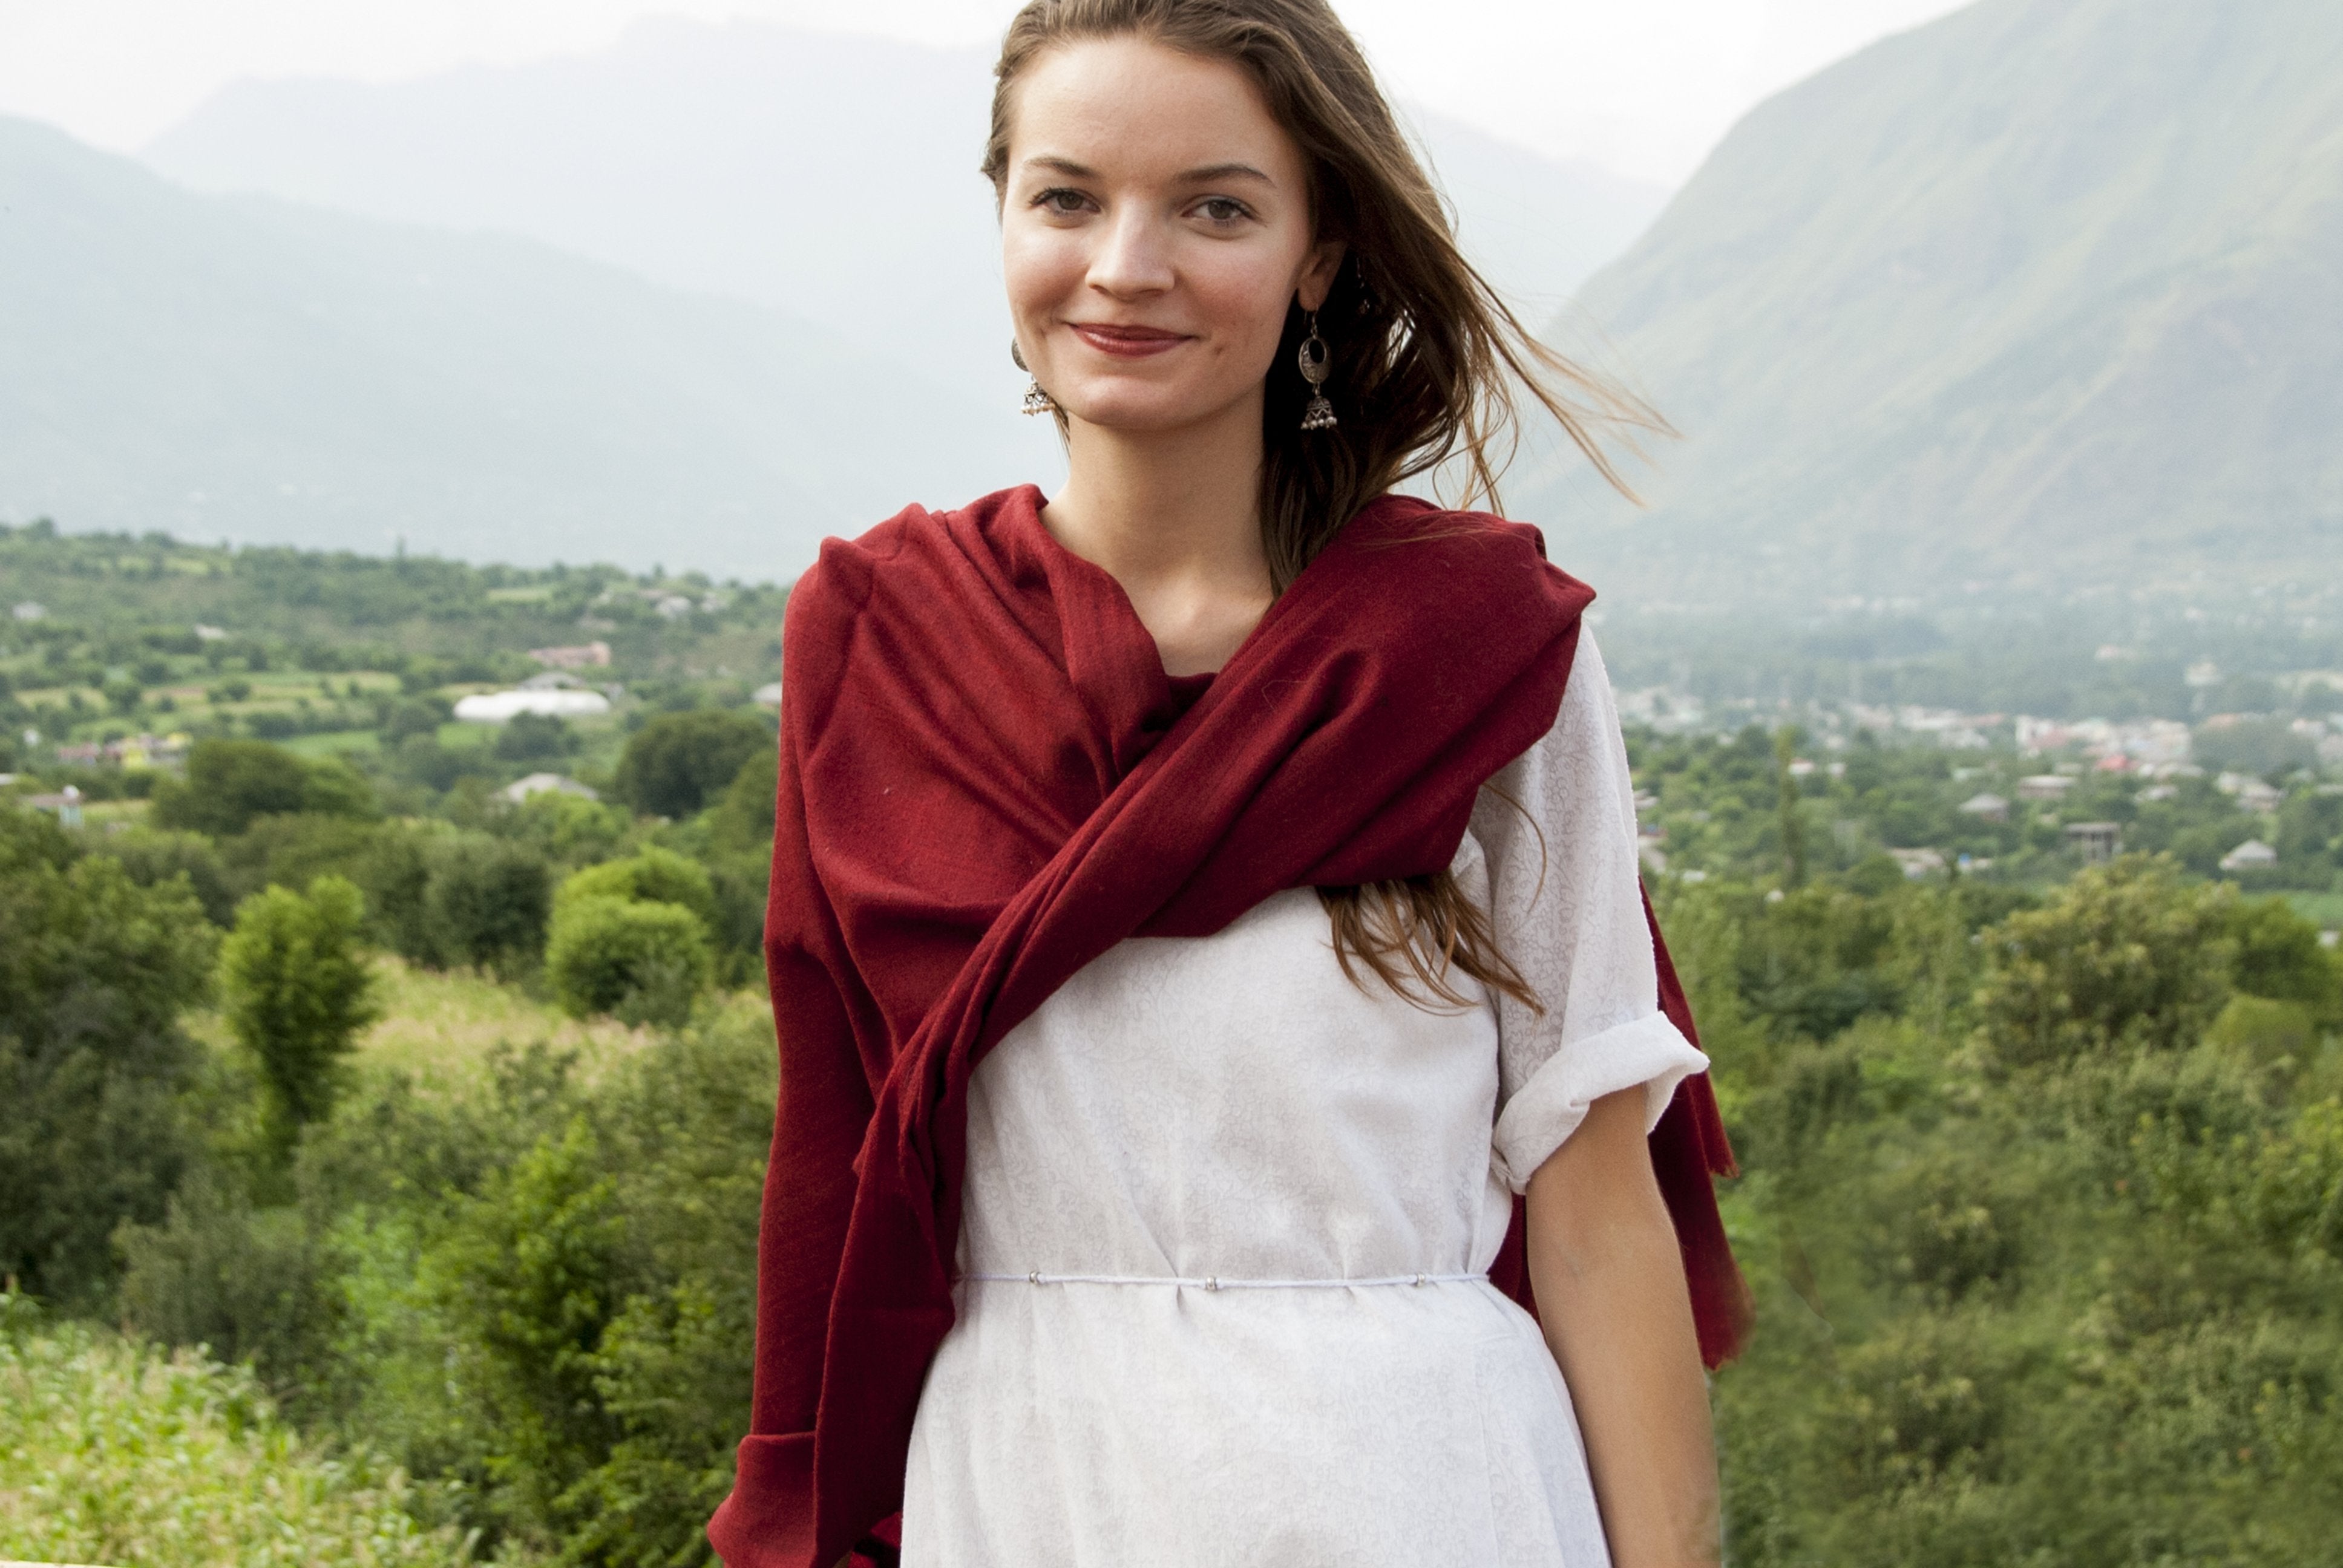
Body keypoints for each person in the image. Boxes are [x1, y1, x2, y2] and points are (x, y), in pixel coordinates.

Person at [709, 1, 1751, 1564]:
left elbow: (1601, 1210)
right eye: (1068, 197)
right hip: (1031, 1490)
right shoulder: (876, 637)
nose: (1129, 265)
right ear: (1001, 216)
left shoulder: (1474, 652)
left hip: (1424, 1490)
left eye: (1215, 207)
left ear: (1318, 253)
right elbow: (830, 1155)